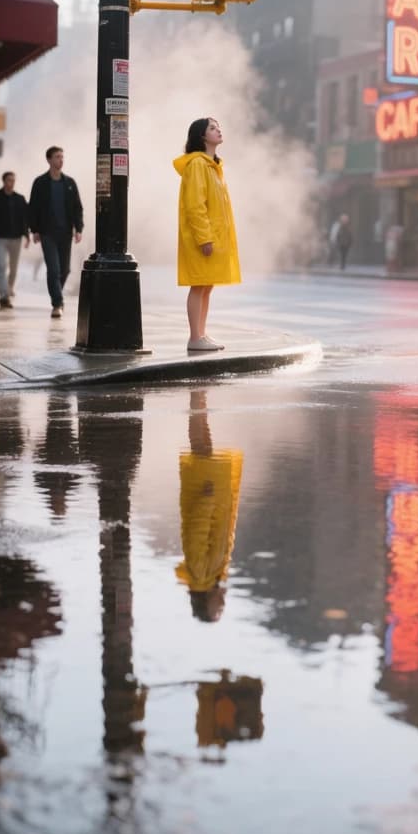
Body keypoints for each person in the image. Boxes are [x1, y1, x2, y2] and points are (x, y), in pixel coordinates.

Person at [174, 117, 241, 351]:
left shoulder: (213, 166)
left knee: (207, 285)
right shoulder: (198, 165)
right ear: (202, 136)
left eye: (218, 127)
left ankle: (201, 334)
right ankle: (194, 337)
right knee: (199, 285)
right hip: (202, 239)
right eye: (212, 128)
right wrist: (204, 237)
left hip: (214, 238)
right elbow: (195, 205)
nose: (218, 130)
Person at [176, 390, 244, 623]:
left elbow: (197, 532)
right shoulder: (212, 575)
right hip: (215, 498)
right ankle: (199, 398)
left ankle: (197, 397)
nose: (223, 604)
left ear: (205, 601)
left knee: (200, 447)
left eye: (218, 608)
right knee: (205, 446)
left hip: (205, 495)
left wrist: (206, 500)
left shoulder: (200, 572)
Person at [28, 146, 83, 319]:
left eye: (62, 157)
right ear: (49, 160)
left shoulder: (70, 183)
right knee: (53, 269)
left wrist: (78, 229)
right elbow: (33, 207)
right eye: (57, 157)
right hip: (47, 233)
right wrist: (34, 230)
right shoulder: (40, 183)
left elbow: (77, 208)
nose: (61, 160)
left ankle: (56, 294)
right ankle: (57, 303)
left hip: (66, 233)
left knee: (65, 270)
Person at [0, 171, 30, 309]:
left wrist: (27, 235)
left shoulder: (20, 199)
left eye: (13, 180)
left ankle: (8, 289)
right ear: (4, 181)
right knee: (1, 266)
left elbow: (25, 219)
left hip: (16, 238)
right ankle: (4, 296)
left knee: (13, 268)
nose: (11, 182)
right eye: (9, 180)